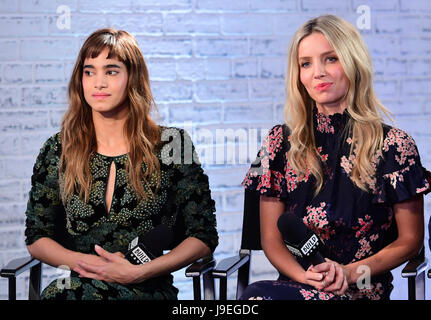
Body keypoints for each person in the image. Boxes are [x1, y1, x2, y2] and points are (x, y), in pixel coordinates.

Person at [240, 15, 430, 300]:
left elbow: (410, 241)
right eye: (306, 63)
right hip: (296, 285)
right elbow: (271, 238)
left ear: (353, 63)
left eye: (330, 59)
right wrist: (306, 277)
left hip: (360, 289)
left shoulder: (394, 145)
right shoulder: (278, 143)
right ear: (298, 75)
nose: (317, 72)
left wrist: (349, 273)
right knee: (257, 295)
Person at [24, 28, 218, 300]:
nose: (98, 83)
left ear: (132, 78)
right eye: (89, 71)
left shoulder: (172, 144)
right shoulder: (59, 148)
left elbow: (203, 237)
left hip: (146, 288)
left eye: (111, 71)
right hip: (78, 286)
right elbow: (37, 236)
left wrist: (139, 272)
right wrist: (87, 263)